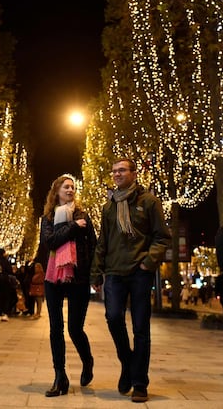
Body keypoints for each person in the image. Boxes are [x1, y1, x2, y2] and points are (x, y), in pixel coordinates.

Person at [91, 158, 171, 403]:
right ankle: (128, 363)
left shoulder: (149, 202)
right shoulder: (108, 207)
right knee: (113, 318)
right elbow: (103, 241)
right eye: (114, 171)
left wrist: (148, 262)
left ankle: (139, 382)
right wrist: (96, 271)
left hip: (139, 272)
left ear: (134, 174)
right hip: (114, 272)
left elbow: (162, 237)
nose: (117, 174)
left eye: (122, 170)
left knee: (140, 329)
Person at [40, 174, 98, 397]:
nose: (70, 190)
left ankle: (87, 360)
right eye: (66, 187)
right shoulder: (47, 217)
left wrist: (95, 275)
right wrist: (73, 226)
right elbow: (51, 242)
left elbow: (93, 245)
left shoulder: (84, 215)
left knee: (75, 328)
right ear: (57, 191)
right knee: (56, 328)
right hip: (54, 276)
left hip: (79, 277)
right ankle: (60, 376)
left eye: (73, 187)